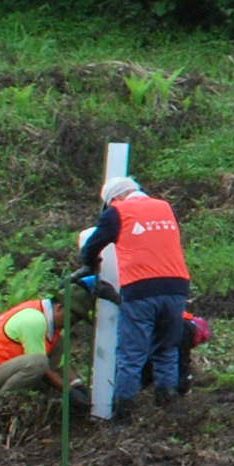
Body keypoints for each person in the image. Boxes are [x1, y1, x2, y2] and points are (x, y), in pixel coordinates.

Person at [78, 176, 191, 423]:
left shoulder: (116, 212)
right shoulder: (164, 206)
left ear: (114, 199)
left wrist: (88, 264)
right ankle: (166, 404)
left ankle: (123, 414)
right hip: (177, 285)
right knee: (167, 347)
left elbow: (93, 244)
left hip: (141, 287)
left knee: (132, 352)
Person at [0, 296, 67, 402]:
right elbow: (40, 366)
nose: (74, 322)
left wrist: (77, 384)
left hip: (3, 374)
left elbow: (61, 365)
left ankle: (38, 400)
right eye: (74, 316)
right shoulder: (34, 319)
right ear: (59, 308)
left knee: (57, 346)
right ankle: (0, 405)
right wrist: (67, 391)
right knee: (38, 362)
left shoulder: (54, 331)